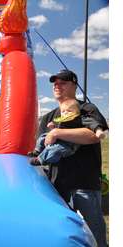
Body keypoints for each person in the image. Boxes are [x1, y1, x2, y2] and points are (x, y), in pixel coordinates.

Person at [37, 69, 108, 247]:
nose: (57, 85)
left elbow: (93, 135)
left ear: (74, 85)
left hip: (85, 186)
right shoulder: (47, 116)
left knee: (95, 234)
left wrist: (58, 132)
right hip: (56, 188)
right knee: (60, 235)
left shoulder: (87, 109)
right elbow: (39, 149)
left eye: (63, 82)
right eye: (55, 82)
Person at [29, 99, 105, 166]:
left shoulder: (80, 119)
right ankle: (37, 151)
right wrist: (52, 128)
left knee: (55, 149)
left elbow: (93, 124)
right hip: (59, 140)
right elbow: (57, 130)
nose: (65, 113)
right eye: (63, 111)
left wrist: (98, 131)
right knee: (43, 136)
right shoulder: (61, 119)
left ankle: (41, 160)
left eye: (69, 111)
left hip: (69, 145)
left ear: (77, 112)